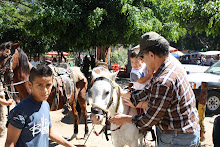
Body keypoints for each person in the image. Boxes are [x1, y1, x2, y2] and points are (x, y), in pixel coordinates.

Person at [109, 32, 200, 147]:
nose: (143, 61)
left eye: (143, 57)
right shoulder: (171, 63)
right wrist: (129, 95)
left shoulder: (163, 81)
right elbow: (152, 92)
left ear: (151, 55)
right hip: (186, 131)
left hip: (177, 138)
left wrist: (125, 119)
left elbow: (150, 119)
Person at [5, 64, 75, 147]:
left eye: (48, 85)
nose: (45, 90)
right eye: (40, 85)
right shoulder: (20, 112)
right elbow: (10, 143)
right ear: (30, 85)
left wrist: (71, 146)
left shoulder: (45, 105)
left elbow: (50, 133)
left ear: (52, 84)